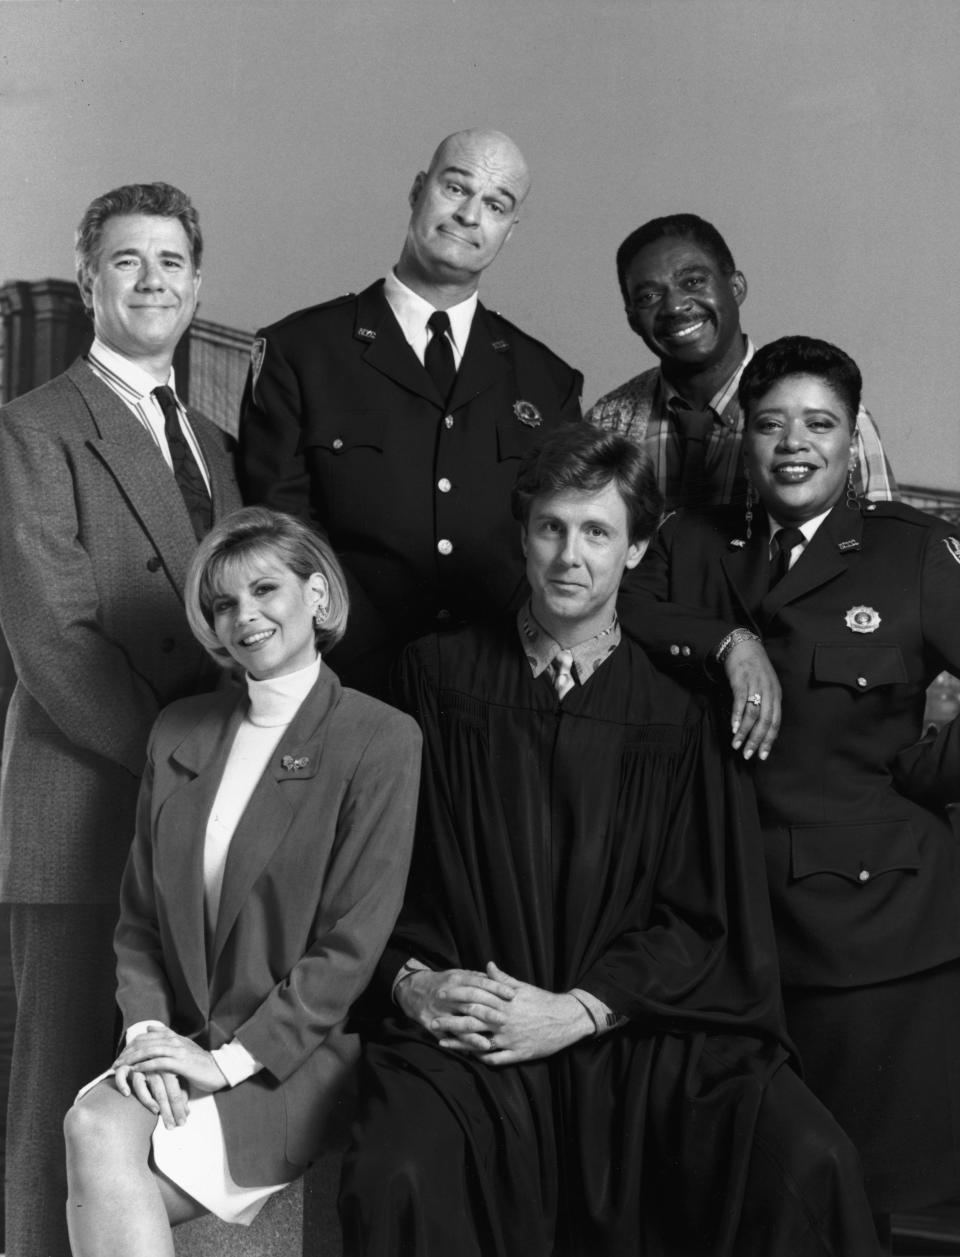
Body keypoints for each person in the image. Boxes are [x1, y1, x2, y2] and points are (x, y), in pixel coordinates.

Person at [340, 424, 878, 1256]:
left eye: (597, 532)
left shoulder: (678, 713)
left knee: (809, 1159)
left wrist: (579, 1010)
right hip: (475, 1015)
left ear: (634, 551)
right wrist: (412, 984)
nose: (568, 555)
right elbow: (368, 874)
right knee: (400, 1167)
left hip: (634, 1028)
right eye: (551, 527)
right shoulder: (435, 678)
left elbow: (705, 920)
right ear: (523, 535)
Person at [623, 336, 960, 1230]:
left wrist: (925, 770)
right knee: (743, 1207)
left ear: (854, 441)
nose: (794, 443)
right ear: (743, 436)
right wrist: (731, 643)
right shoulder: (694, 542)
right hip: (725, 927)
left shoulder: (912, 553)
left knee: (880, 1208)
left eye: (821, 423)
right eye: (771, 423)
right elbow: (622, 608)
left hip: (875, 940)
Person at [63, 506, 421, 1255]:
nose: (244, 616)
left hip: (286, 1060)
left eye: (266, 590)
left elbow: (349, 950)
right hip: (175, 1040)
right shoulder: (178, 728)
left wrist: (222, 1062)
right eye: (223, 603)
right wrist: (151, 1035)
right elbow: (138, 922)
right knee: (93, 1124)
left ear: (317, 596)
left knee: (101, 1176)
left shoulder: (381, 737)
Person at [0, 182, 241, 1257]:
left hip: (192, 817)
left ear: (199, 284)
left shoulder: (216, 443)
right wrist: (184, 763)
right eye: (129, 261)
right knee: (55, 1097)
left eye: (172, 262)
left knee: (158, 1116)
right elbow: (54, 637)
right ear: (90, 280)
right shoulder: (32, 427)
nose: (153, 281)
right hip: (87, 806)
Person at [237, 128, 583, 697]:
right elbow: (281, 536)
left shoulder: (547, 380)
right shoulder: (301, 352)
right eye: (455, 188)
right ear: (419, 189)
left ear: (509, 230)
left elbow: (560, 542)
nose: (470, 215)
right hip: (348, 684)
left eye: (495, 205)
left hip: (503, 690)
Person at [587, 212, 897, 510]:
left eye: (693, 282)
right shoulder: (608, 423)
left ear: (736, 288)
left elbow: (884, 550)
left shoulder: (830, 415)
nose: (675, 306)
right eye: (648, 297)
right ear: (632, 319)